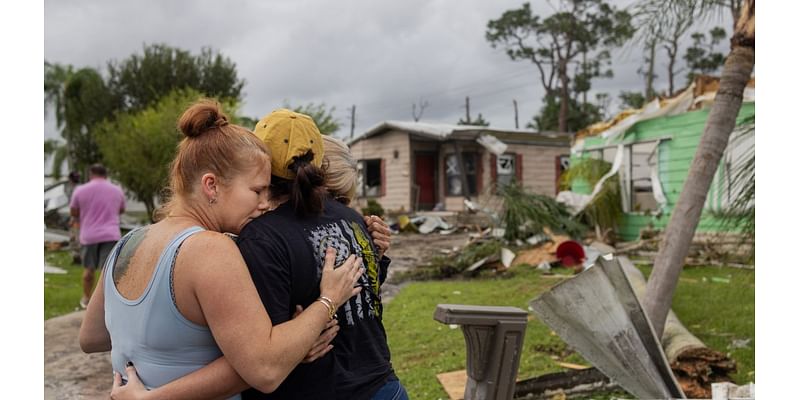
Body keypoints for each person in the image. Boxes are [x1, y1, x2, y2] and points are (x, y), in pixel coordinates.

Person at [79, 100, 364, 399]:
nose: (265, 203)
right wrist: (327, 302)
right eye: (256, 190)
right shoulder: (209, 250)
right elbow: (265, 370)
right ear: (211, 186)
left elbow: (92, 337)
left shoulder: (127, 242)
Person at [238, 109, 406, 399]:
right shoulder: (353, 219)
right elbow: (369, 292)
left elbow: (266, 355)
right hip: (384, 387)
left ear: (259, 159)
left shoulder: (261, 239)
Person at [70, 164, 126, 309]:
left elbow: (74, 212)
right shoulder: (117, 190)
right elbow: (121, 209)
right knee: (106, 271)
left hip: (89, 236)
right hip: (111, 234)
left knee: (88, 270)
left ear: (91, 174)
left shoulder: (80, 190)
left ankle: (86, 299)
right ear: (105, 175)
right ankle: (105, 303)